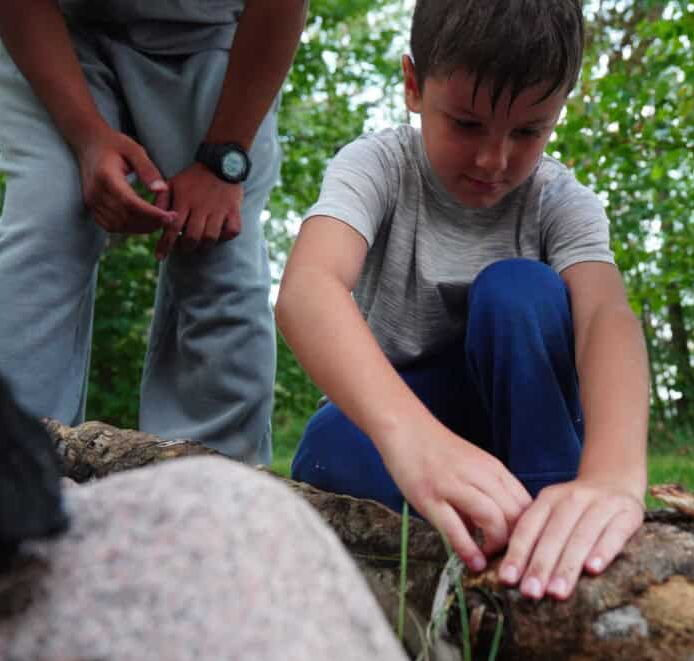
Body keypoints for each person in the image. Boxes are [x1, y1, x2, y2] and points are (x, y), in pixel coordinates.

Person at [276, 0, 650, 601]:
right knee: (326, 454)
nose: (493, 161)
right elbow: (307, 289)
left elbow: (606, 317)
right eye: (468, 124)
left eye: (529, 130)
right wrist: (414, 440)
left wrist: (613, 476)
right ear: (414, 86)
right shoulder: (378, 166)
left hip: (530, 420)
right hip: (408, 415)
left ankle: (551, 526)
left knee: (517, 291)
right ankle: (471, 531)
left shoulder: (560, 201)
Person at [0, 0, 308, 465]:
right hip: (57, 31)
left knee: (219, 250)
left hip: (215, 41)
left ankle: (215, 496)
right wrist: (87, 137)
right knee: (50, 218)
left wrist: (223, 160)